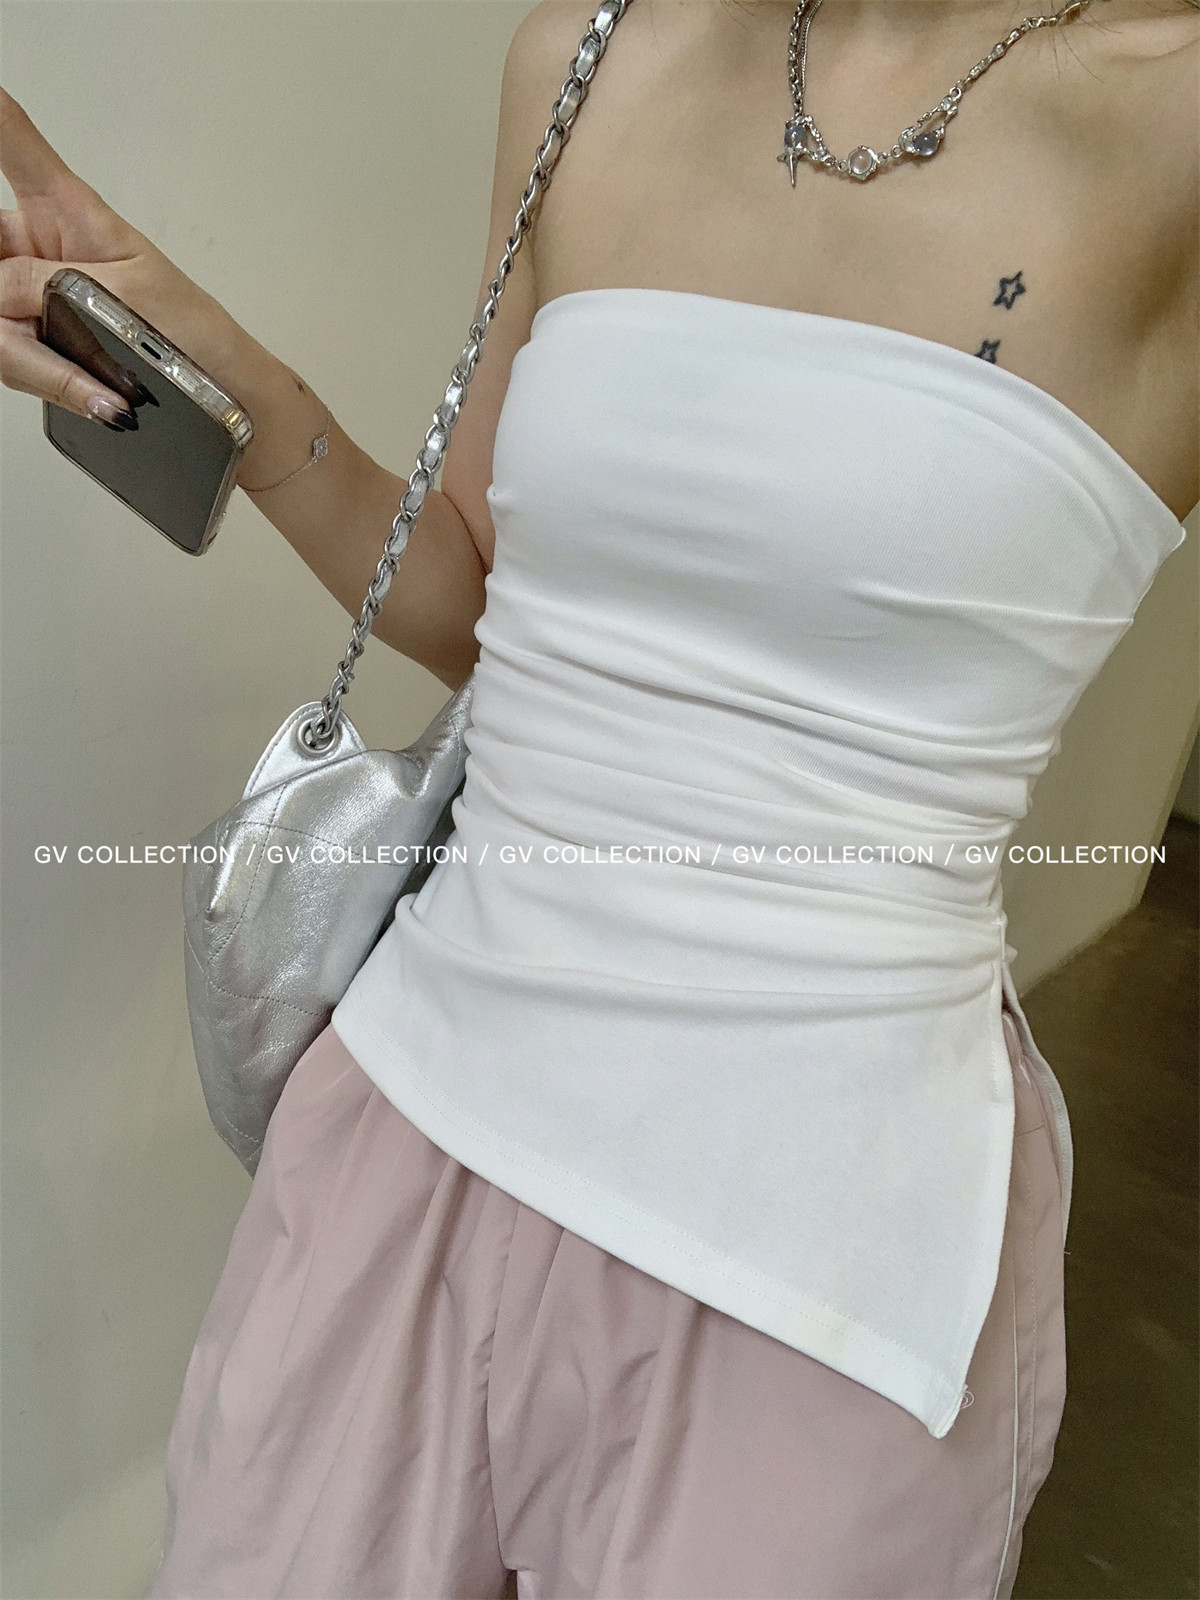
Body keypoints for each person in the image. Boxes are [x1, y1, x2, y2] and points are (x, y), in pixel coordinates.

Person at [2, 0, 1196, 1594]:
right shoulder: (596, 50)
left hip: (818, 1262)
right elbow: (487, 608)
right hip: (406, 1144)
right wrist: (204, 355)